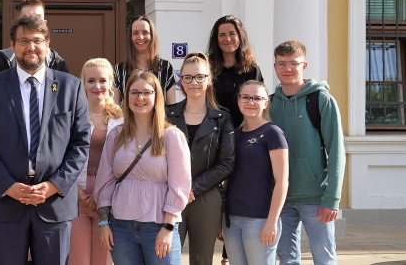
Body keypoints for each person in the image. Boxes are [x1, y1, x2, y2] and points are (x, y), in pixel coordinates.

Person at [0, 14, 91, 265]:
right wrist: (8, 186)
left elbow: (80, 144)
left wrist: (53, 186)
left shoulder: (72, 87)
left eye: (37, 40)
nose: (31, 47)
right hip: (4, 203)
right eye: (23, 41)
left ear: (48, 44)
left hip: (53, 205)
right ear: (13, 46)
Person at [95, 69, 192, 265]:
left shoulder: (171, 136)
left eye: (147, 92)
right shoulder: (116, 135)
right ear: (127, 97)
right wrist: (104, 222)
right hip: (120, 227)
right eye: (135, 92)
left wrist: (168, 227)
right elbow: (104, 181)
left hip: (158, 226)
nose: (140, 98)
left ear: (157, 97)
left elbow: (180, 185)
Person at [269, 40, 346, 265]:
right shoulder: (270, 104)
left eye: (294, 63)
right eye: (282, 64)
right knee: (286, 259)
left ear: (304, 66)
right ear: (275, 67)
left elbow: (337, 152)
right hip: (280, 199)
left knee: (324, 258)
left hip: (316, 198)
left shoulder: (321, 100)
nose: (287, 69)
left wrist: (332, 198)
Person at [165, 52, 234, 265]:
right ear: (180, 81)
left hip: (206, 195)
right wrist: (180, 188)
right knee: (165, 256)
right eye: (187, 77)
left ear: (209, 80)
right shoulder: (167, 115)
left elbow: (227, 162)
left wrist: (193, 188)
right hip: (169, 194)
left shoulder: (222, 117)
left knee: (201, 259)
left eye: (199, 77)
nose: (193, 82)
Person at [223, 80, 289, 265]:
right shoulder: (233, 135)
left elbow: (282, 181)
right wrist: (222, 216)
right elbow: (227, 177)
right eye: (246, 97)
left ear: (265, 103)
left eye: (257, 98)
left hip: (259, 220)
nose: (250, 102)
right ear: (238, 101)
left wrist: (272, 221)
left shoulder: (272, 133)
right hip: (232, 219)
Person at [69, 58, 122, 265]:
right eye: (91, 80)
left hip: (109, 198)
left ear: (110, 83)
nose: (97, 86)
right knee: (78, 259)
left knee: (103, 259)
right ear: (83, 83)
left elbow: (124, 164)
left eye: (103, 80)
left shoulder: (122, 120)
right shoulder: (71, 117)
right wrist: (80, 193)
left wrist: (101, 194)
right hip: (76, 196)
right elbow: (61, 159)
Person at [207, 15, 264, 127]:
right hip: (213, 131)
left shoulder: (252, 69)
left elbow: (259, 102)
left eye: (232, 33)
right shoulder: (207, 67)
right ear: (216, 39)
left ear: (240, 36)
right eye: (222, 35)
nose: (227, 39)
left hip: (244, 130)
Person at [0, 0, 69, 75]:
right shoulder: (4, 58)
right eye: (28, 17)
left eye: (38, 17)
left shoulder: (57, 61)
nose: (33, 21)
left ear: (45, 23)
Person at [114, 15, 177, 105]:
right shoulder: (119, 69)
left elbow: (171, 106)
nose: (140, 37)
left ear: (152, 35)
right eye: (135, 33)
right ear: (130, 37)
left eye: (145, 32)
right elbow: (115, 109)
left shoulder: (165, 67)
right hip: (127, 119)